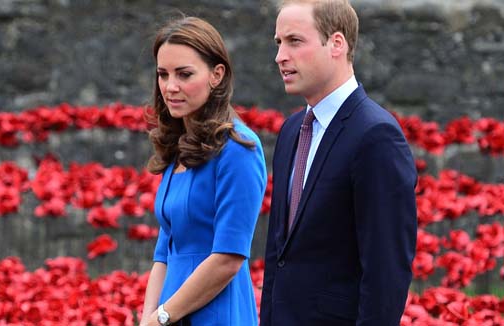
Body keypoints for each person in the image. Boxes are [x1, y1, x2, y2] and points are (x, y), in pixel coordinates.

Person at [260, 1, 417, 325]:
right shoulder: (291, 132)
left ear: (336, 43)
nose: (280, 56)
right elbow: (279, 255)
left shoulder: (376, 136)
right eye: (279, 43)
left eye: (294, 41)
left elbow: (386, 274)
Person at [140, 16, 268, 326]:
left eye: (184, 74)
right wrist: (148, 318)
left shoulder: (239, 150)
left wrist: (162, 317)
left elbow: (228, 258)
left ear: (216, 74)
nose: (171, 86)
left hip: (217, 313)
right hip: (170, 313)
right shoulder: (179, 148)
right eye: (163, 74)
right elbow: (164, 252)